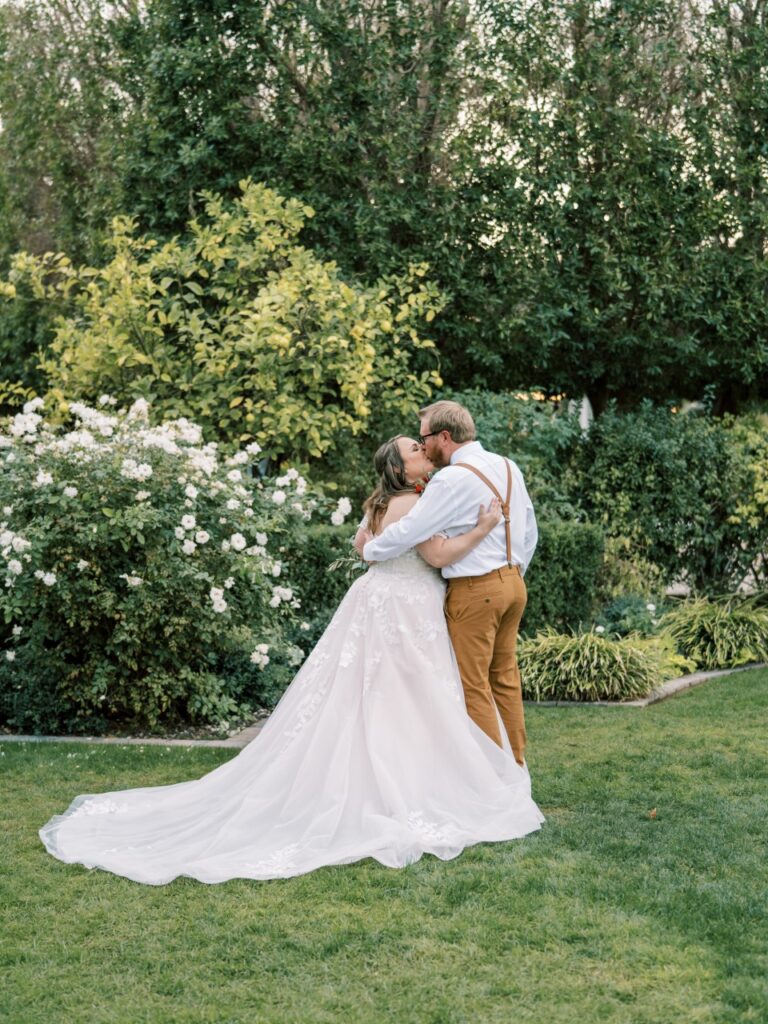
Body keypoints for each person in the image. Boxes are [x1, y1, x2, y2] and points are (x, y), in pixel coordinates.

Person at [39, 435, 543, 885]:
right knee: (416, 696)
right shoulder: (414, 501)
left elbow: (363, 544)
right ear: (400, 468)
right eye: (414, 450)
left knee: (377, 696)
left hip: (378, 602)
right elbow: (435, 557)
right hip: (408, 609)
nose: (423, 453)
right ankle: (424, 786)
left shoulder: (381, 502)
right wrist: (483, 529)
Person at [357, 401, 537, 767]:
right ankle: (517, 767)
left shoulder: (451, 478)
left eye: (424, 438)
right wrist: (512, 573)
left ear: (444, 436)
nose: (423, 446)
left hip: (476, 591)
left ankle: (493, 780)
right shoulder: (507, 466)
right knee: (504, 680)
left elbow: (412, 530)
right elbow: (529, 530)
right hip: (513, 585)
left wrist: (372, 548)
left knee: (473, 688)